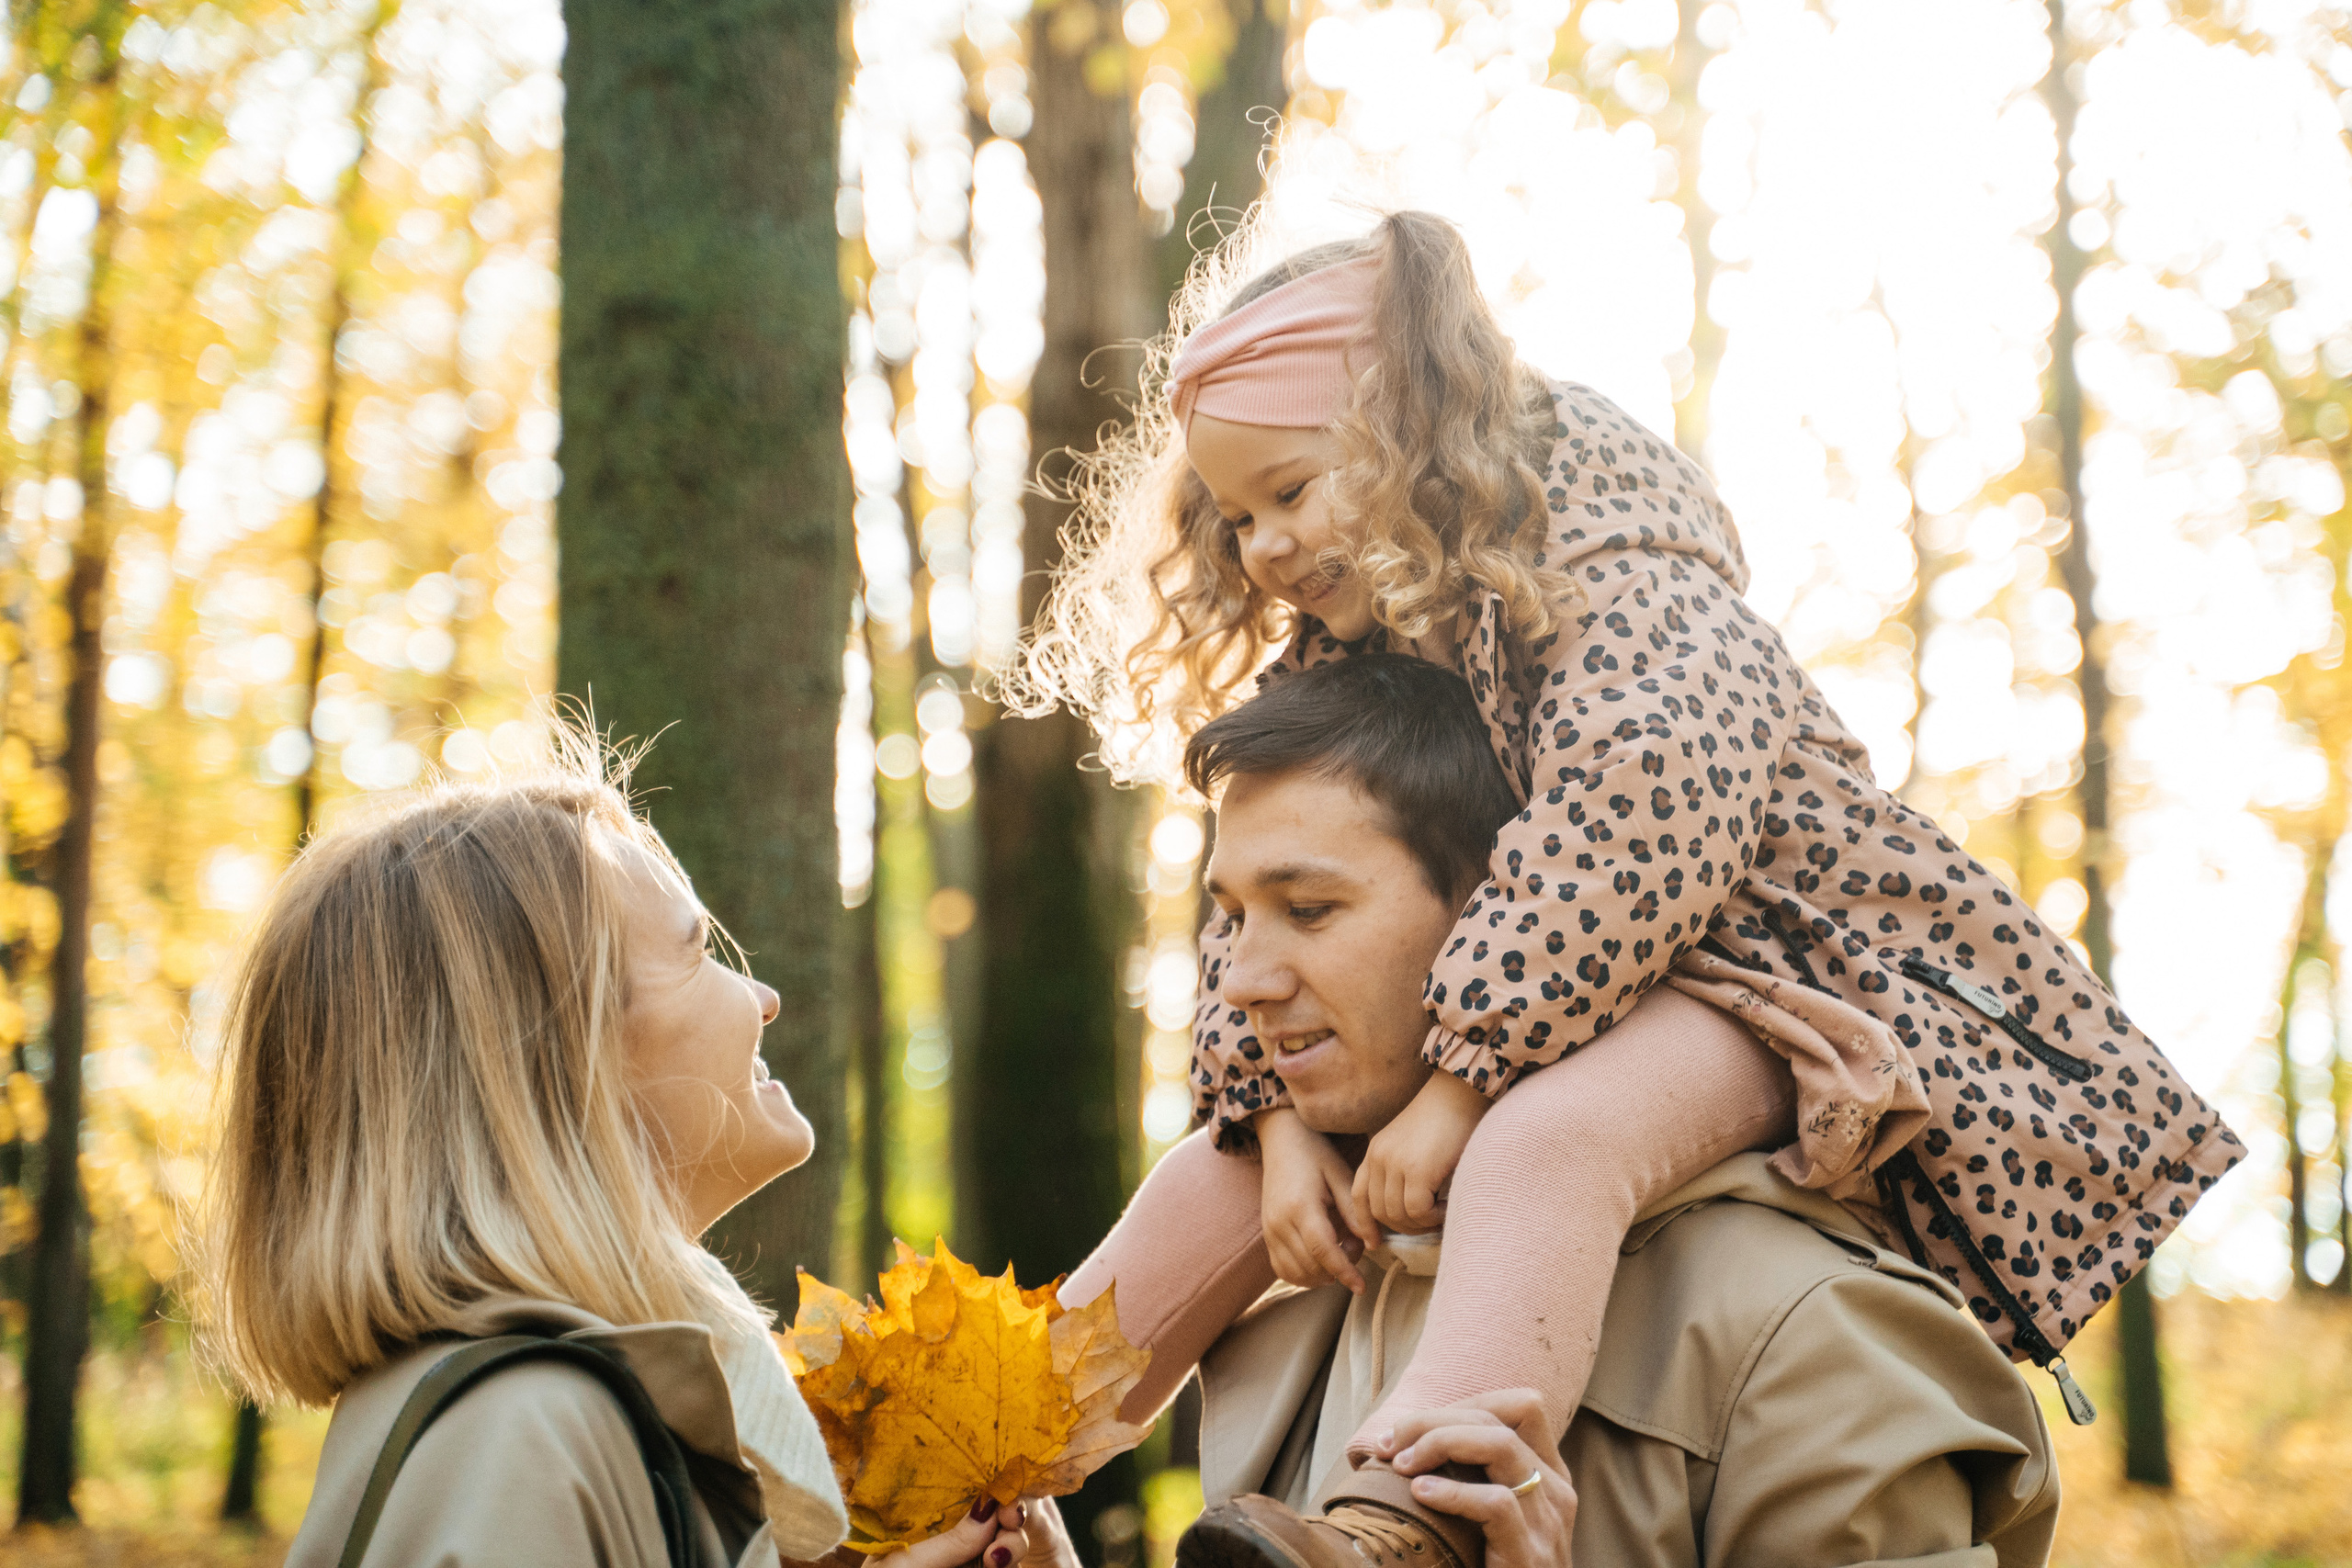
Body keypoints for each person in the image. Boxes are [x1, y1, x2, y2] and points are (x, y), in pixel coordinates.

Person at [1029, 209, 2242, 1558]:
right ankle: (976, 1436)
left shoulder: (1620, 569)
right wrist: (1271, 1109)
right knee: (1224, 1169)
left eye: (1294, 488)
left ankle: (1415, 1513)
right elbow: (1254, 882)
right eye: (1238, 514)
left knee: (1551, 1142)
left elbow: (1631, 824)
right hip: (1576, 988)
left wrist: (1463, 1084)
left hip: (1772, 980)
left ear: (1411, 428)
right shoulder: (1362, 631)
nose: (1262, 546)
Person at [1170, 656, 2060, 1568]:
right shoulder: (1304, 1308)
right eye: (1231, 920)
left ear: (1499, 910)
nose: (1241, 981)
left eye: (1309, 909)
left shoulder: (1801, 1336)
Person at [194, 739, 1056, 1568]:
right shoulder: (529, 1434)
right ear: (556, 1062)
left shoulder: (563, 1412)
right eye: (696, 951)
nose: (764, 997)